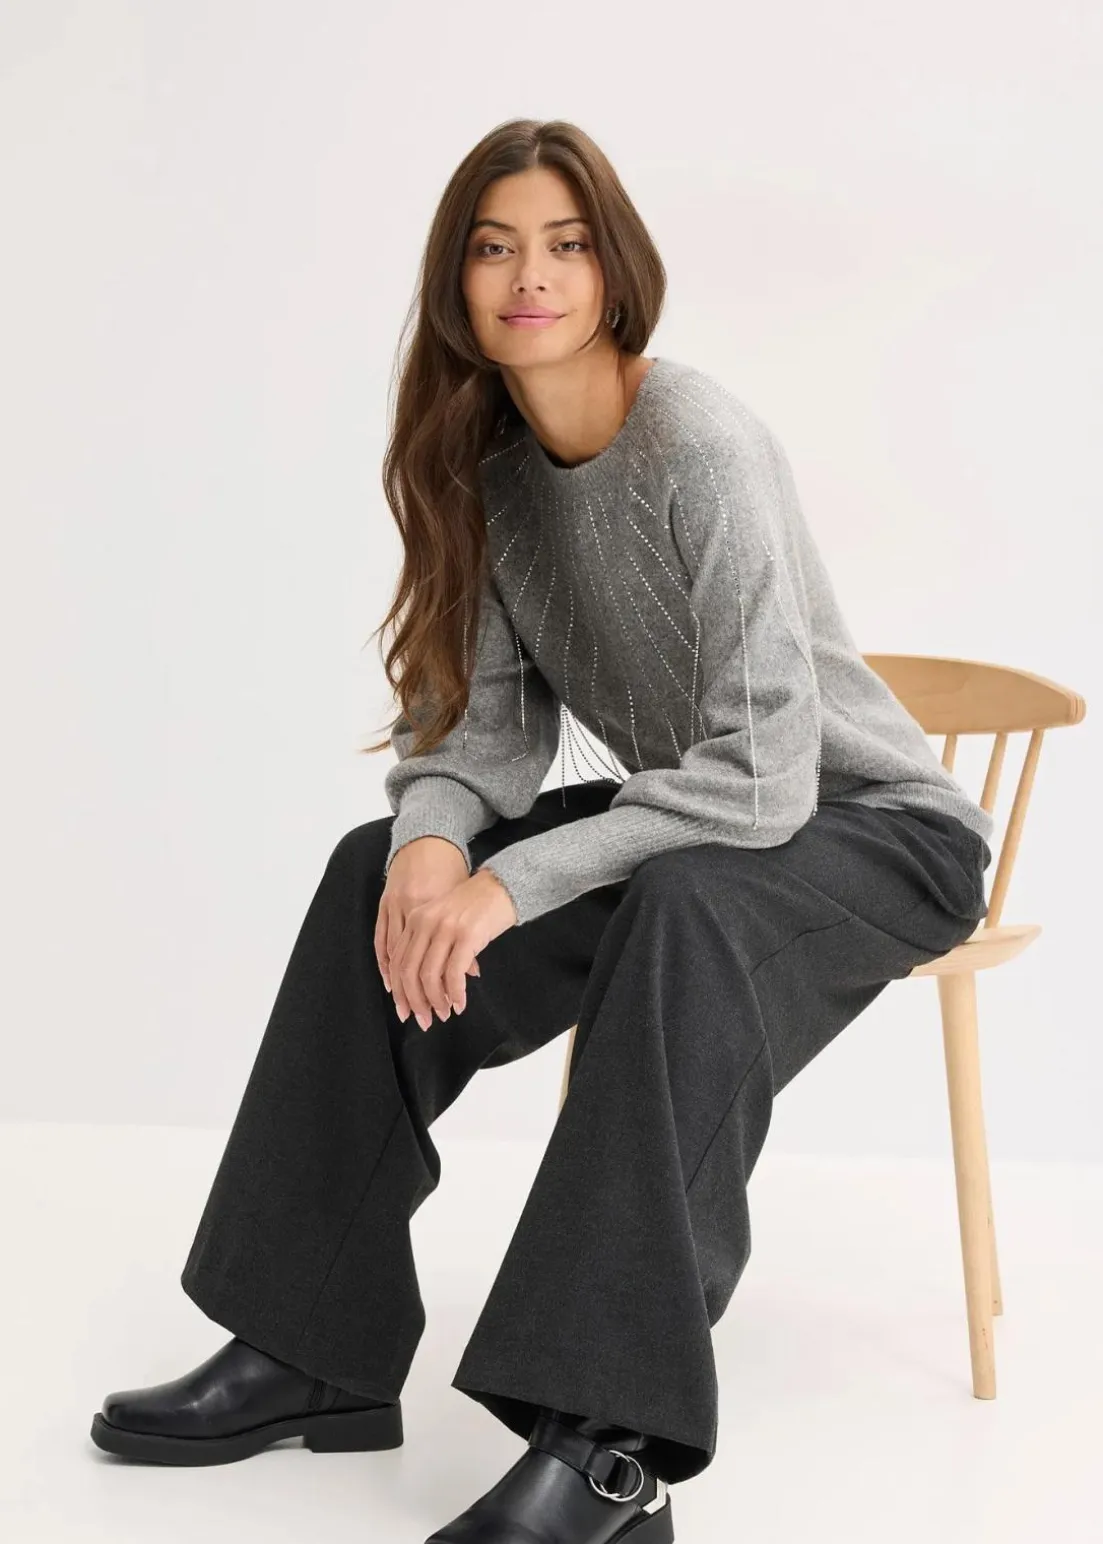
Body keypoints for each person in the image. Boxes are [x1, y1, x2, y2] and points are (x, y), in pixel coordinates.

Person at [89, 119, 994, 1544]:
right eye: (495, 248)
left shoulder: (701, 443)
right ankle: (306, 1342)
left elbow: (767, 776)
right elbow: (486, 736)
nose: (531, 276)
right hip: (700, 829)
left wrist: (513, 889)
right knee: (371, 871)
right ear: (456, 282)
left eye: (565, 245)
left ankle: (606, 1453)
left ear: (615, 270)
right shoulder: (490, 472)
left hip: (874, 833)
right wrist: (434, 848)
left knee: (685, 908)